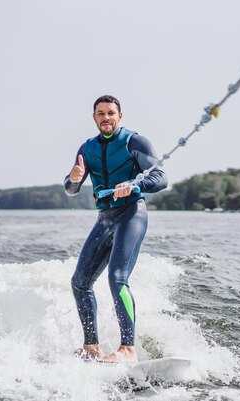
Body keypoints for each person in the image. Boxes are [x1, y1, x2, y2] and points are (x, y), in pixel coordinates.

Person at [64, 95, 168, 363]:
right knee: (80, 282)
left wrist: (135, 185)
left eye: (111, 112)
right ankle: (91, 347)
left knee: (117, 277)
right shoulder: (87, 149)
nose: (106, 117)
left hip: (131, 214)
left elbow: (160, 178)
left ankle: (128, 350)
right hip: (104, 218)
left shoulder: (135, 141)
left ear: (119, 116)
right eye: (100, 113)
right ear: (94, 118)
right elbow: (71, 188)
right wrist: (73, 181)